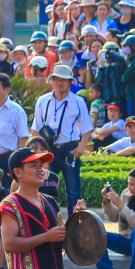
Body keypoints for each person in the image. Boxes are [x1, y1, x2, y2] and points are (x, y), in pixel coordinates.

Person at [29, 64, 93, 206]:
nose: (59, 82)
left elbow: (87, 128)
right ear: (52, 80)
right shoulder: (42, 101)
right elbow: (35, 129)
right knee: (44, 189)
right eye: (56, 78)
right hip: (47, 148)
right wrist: (36, 152)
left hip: (69, 149)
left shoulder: (78, 102)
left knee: (73, 192)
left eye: (64, 79)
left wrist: (81, 148)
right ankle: (47, 223)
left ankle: (73, 226)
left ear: (70, 82)